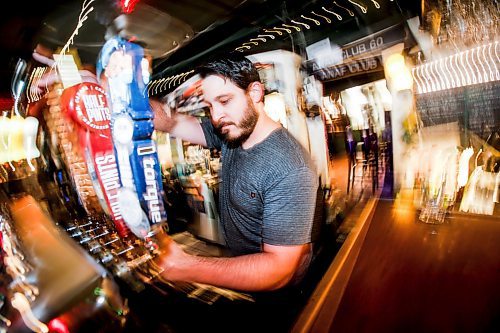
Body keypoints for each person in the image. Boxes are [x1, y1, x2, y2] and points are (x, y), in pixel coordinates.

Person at [150, 55, 320, 293]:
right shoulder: (232, 131)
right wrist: (122, 98)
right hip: (245, 272)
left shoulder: (289, 166)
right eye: (210, 106)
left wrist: (186, 266)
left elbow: (279, 270)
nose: (216, 116)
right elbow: (172, 122)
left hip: (283, 294)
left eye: (225, 100)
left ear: (255, 93)